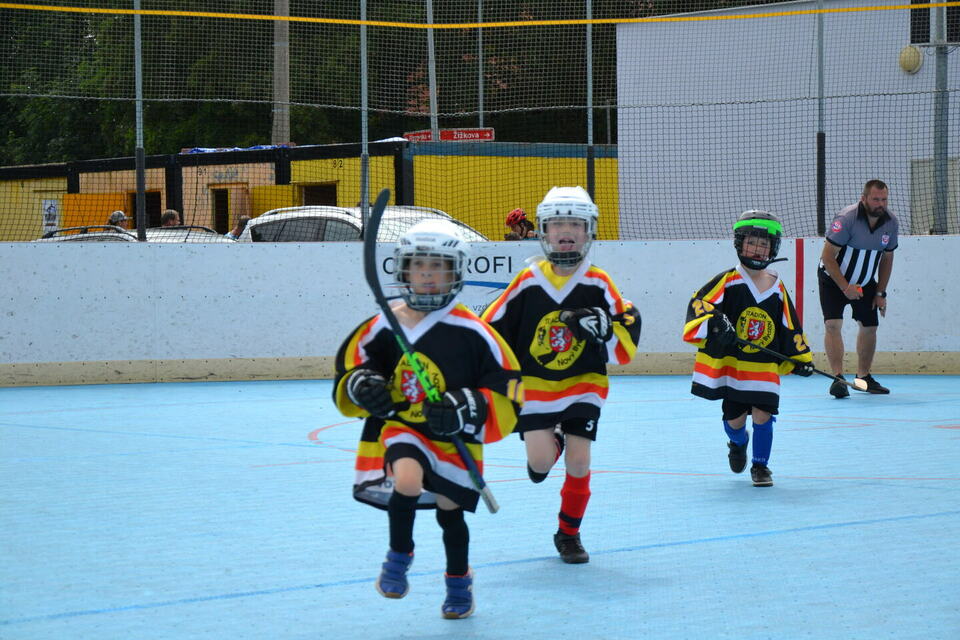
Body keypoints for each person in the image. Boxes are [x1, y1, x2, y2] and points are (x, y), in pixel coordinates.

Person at [333, 219, 522, 619]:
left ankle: (459, 580)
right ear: (404, 270)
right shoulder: (383, 325)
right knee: (406, 479)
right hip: (404, 427)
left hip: (453, 437)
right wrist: (362, 385)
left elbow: (508, 385)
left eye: (438, 266)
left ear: (456, 272)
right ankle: (399, 556)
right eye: (419, 265)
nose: (428, 274)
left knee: (450, 512)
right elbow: (353, 367)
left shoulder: (475, 331)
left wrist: (468, 405)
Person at [482, 186, 641, 564]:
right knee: (538, 466)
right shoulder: (528, 280)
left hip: (584, 385)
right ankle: (552, 440)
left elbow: (625, 330)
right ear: (543, 230)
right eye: (557, 224)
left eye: (575, 224)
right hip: (535, 388)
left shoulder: (599, 282)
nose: (566, 231)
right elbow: (489, 327)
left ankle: (569, 534)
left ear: (589, 232)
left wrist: (604, 327)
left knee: (580, 461)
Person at [683, 210, 814, 488]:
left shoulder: (777, 287)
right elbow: (699, 306)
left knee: (764, 415)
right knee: (735, 421)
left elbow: (789, 324)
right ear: (739, 244)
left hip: (763, 366)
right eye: (751, 242)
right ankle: (737, 442)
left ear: (773, 248)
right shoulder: (727, 281)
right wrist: (715, 323)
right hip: (734, 367)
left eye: (763, 244)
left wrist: (800, 359)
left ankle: (761, 466)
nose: (757, 248)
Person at [818, 179, 898, 397]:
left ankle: (863, 379)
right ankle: (838, 379)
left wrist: (880, 292)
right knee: (833, 324)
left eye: (884, 199)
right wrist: (845, 287)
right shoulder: (847, 219)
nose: (880, 204)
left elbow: (887, 258)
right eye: (875, 199)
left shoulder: (891, 222)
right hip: (833, 280)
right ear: (864, 199)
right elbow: (827, 256)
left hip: (865, 282)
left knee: (870, 327)